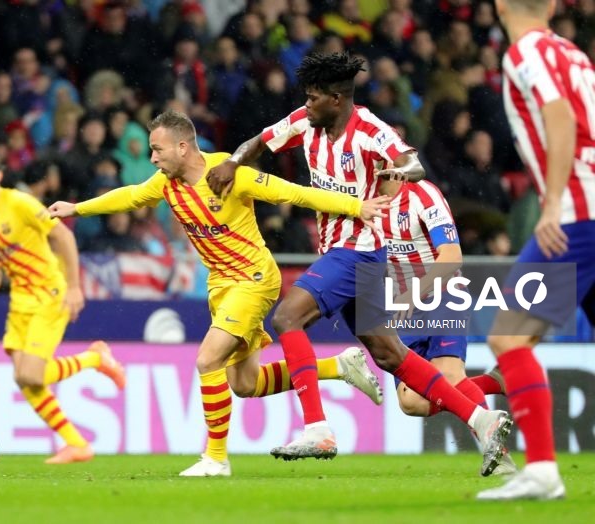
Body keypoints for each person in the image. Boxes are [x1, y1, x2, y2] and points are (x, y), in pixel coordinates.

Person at [207, 52, 511, 472]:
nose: (306, 104)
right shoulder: (303, 121)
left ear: (336, 99)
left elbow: (412, 161)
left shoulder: (370, 131)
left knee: (288, 317)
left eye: (314, 98)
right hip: (351, 256)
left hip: (359, 249)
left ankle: (317, 428)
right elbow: (259, 140)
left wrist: (398, 173)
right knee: (388, 353)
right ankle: (481, 418)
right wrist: (233, 160)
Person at [49, 110, 389, 476]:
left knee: (207, 359)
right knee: (244, 384)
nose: (152, 158)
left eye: (157, 150)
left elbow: (295, 193)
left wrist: (356, 206)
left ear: (183, 147)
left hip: (253, 278)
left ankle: (215, 458)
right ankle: (338, 366)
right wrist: (76, 209)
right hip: (221, 286)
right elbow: (131, 197)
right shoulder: (166, 184)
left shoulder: (233, 175)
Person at [478, 0, 595, 500]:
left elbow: (560, 115)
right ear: (551, 5)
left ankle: (543, 470)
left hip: (575, 213)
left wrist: (551, 206)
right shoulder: (574, 54)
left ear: (501, 5)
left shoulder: (524, 51)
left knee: (509, 339)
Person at [0, 147, 126, 465]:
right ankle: (77, 444)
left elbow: (63, 238)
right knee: (24, 379)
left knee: (33, 375)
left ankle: (96, 358)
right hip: (19, 301)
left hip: (49, 292)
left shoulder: (20, 203)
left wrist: (75, 287)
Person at [377, 175, 516, 476]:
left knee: (451, 374)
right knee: (411, 402)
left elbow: (451, 256)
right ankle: (494, 382)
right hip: (403, 307)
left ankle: (498, 454)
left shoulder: (424, 195)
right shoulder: (364, 204)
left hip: (442, 293)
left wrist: (417, 290)